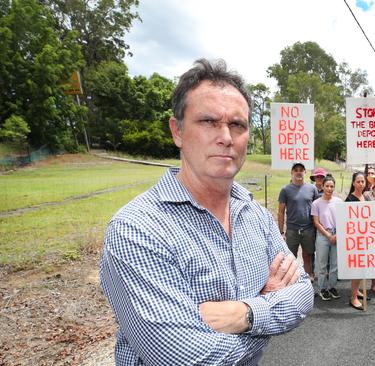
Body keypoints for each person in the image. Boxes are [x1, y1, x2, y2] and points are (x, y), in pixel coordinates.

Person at [99, 58, 313, 365]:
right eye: (208, 121)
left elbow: (303, 293)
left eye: (237, 125)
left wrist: (246, 314)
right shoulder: (136, 229)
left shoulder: (255, 216)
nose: (226, 136)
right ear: (178, 132)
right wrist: (267, 309)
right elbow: (184, 359)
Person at [278, 162, 319, 279]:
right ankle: (292, 280)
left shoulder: (312, 189)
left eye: (301, 170)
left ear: (305, 172)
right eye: (296, 170)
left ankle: (308, 278)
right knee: (291, 258)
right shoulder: (285, 190)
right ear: (291, 173)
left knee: (307, 256)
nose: (298, 172)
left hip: (308, 229)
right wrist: (281, 231)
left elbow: (317, 209)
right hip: (292, 230)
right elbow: (281, 211)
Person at [311, 176, 342, 301]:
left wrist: (337, 235)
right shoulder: (316, 203)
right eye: (327, 186)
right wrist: (328, 235)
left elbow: (342, 219)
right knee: (322, 264)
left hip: (337, 235)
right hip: (323, 235)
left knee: (335, 264)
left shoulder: (339, 202)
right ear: (322, 187)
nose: (329, 188)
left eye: (332, 186)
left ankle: (332, 287)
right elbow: (316, 223)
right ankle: (323, 288)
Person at [346, 172, 368, 310]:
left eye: (363, 181)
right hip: (354, 240)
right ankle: (353, 297)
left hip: (364, 238)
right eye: (358, 181)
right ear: (353, 183)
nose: (361, 184)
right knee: (357, 269)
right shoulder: (349, 200)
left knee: (362, 267)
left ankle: (357, 290)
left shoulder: (365, 197)